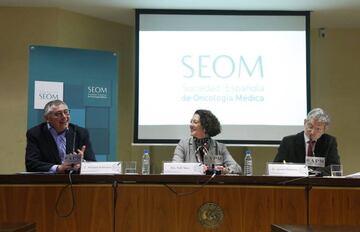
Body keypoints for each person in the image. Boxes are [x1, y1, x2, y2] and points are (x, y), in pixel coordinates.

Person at [25, 100, 96, 173]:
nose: (64, 117)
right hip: (48, 181)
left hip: (75, 180)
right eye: (58, 114)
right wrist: (58, 168)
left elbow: (92, 163)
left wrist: (82, 163)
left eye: (66, 112)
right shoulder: (35, 133)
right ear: (47, 118)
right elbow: (31, 164)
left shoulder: (80, 133)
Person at [172, 109, 241, 174]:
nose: (191, 125)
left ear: (205, 126)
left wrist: (224, 170)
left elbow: (237, 168)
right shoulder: (183, 145)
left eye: (195, 122)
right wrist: (197, 169)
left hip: (213, 186)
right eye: (191, 122)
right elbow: (174, 168)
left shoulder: (220, 147)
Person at [273, 108, 340, 174]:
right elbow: (276, 167)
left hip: (319, 182)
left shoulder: (329, 142)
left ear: (324, 130)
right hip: (295, 182)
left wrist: (315, 173)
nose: (312, 132)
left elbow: (335, 168)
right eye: (310, 126)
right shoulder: (288, 142)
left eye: (318, 129)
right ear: (305, 122)